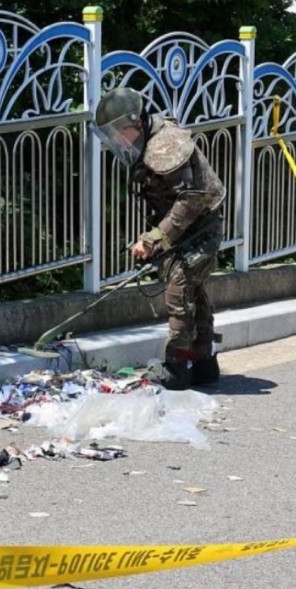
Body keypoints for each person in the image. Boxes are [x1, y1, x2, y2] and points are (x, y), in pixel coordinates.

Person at [94, 87, 225, 391]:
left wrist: (154, 238)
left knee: (179, 291)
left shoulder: (166, 144)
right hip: (188, 225)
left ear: (136, 122)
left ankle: (176, 367)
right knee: (192, 290)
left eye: (119, 132)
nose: (117, 139)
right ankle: (204, 362)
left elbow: (189, 202)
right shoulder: (145, 141)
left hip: (201, 225)